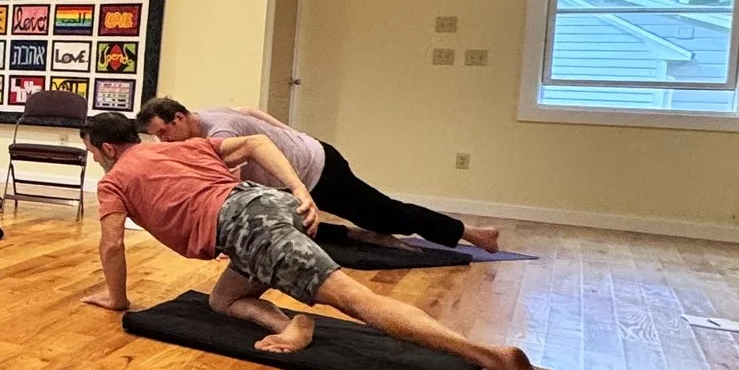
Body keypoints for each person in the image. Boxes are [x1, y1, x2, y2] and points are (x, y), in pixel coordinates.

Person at [80, 112, 566, 370]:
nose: (95, 160)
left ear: (105, 147)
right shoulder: (179, 149)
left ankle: (489, 356)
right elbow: (254, 140)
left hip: (246, 226)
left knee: (357, 301)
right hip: (265, 207)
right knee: (224, 299)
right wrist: (298, 192)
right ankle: (291, 324)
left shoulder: (115, 180)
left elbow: (112, 243)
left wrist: (117, 299)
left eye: (92, 152)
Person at [136, 98, 500, 253]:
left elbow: (224, 185)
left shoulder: (221, 133)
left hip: (321, 171)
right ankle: (369, 237)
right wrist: (292, 133)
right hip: (311, 156)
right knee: (312, 225)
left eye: (163, 133)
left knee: (390, 216)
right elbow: (250, 109)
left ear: (179, 118)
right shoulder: (203, 116)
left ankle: (475, 234)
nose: (162, 141)